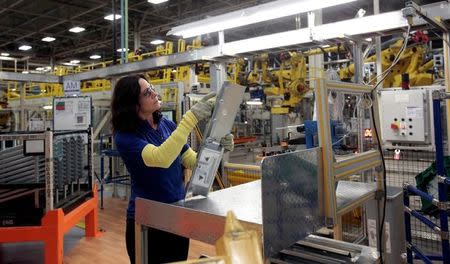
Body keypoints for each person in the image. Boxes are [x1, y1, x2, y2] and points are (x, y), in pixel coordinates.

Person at [111, 74, 234, 264]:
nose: (154, 93)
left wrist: (218, 146)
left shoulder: (166, 125)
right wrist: (190, 118)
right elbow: (161, 158)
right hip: (146, 222)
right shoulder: (125, 137)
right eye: (146, 92)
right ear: (133, 104)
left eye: (151, 88)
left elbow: (192, 161)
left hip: (177, 215)